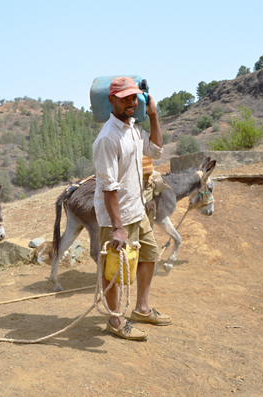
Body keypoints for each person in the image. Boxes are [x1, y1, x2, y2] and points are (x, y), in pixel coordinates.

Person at [92, 76, 171, 341]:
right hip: (117, 217)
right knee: (113, 269)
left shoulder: (134, 129)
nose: (131, 102)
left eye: (134, 97)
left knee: (150, 254)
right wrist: (117, 228)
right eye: (125, 97)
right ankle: (115, 320)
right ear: (111, 99)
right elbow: (108, 187)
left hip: (137, 210)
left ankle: (142, 309)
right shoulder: (108, 138)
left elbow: (156, 151)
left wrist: (154, 115)